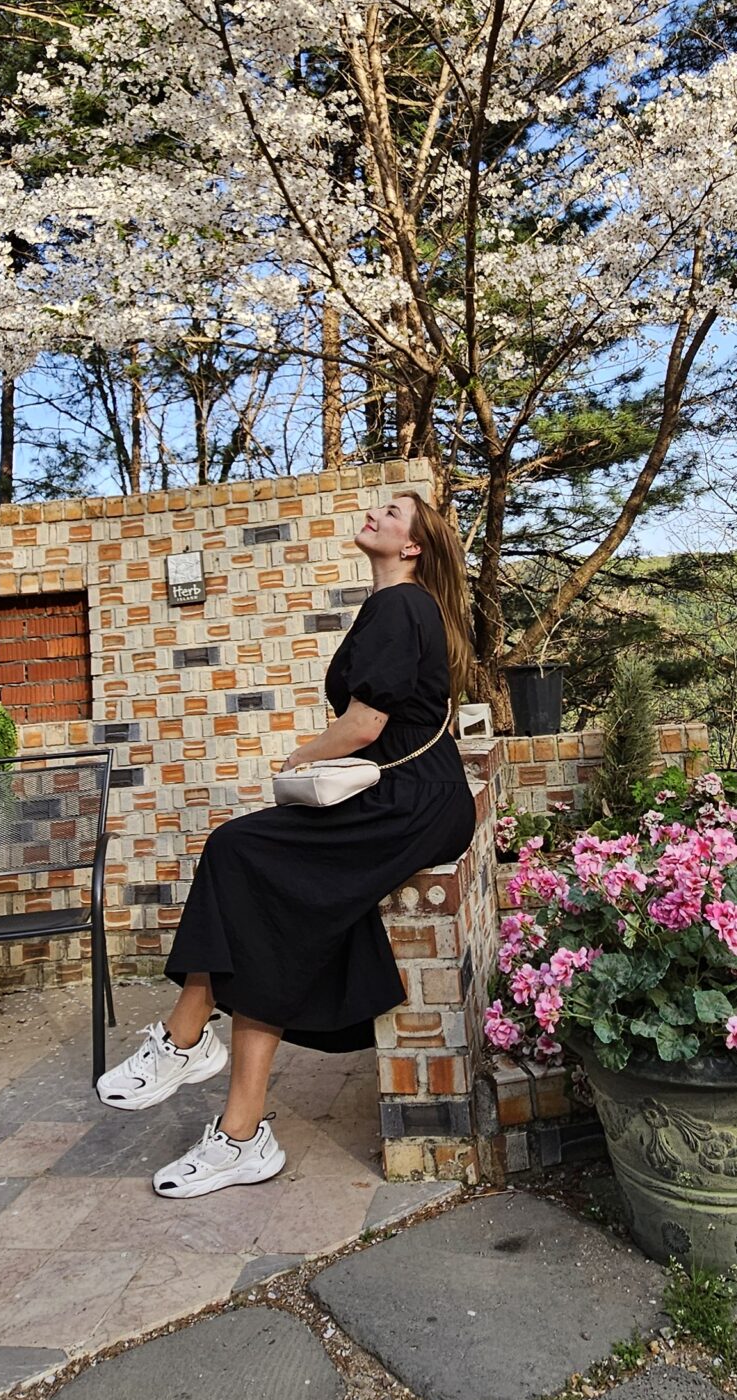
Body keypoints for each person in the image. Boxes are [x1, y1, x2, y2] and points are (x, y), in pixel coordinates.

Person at [96, 490, 478, 1196]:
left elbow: (366, 725)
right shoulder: (396, 604)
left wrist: (299, 758)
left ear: (413, 546)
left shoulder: (401, 604)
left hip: (411, 801)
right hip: (410, 794)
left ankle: (185, 1038)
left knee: (237, 850)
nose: (375, 514)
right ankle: (240, 1133)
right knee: (269, 907)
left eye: (393, 514)